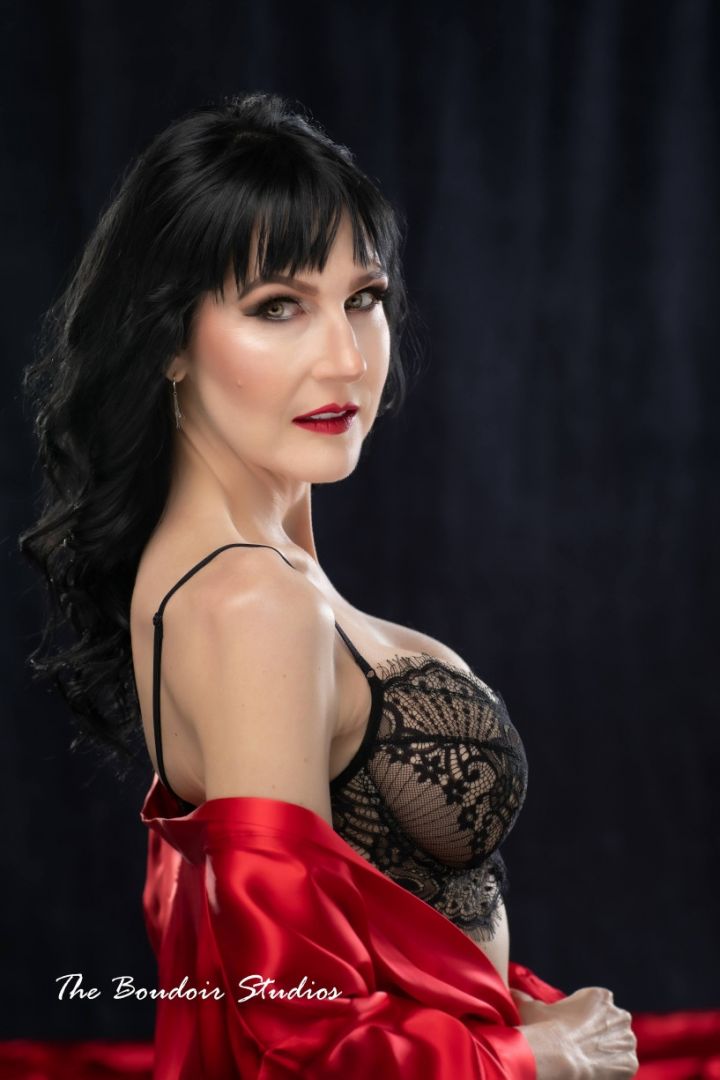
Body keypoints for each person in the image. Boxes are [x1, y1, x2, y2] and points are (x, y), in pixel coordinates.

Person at [19, 91, 638, 1077]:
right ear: (168, 340)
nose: (347, 358)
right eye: (278, 307)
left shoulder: (240, 571)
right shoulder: (250, 603)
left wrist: (523, 1015)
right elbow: (294, 1023)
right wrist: (536, 1059)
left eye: (363, 298)